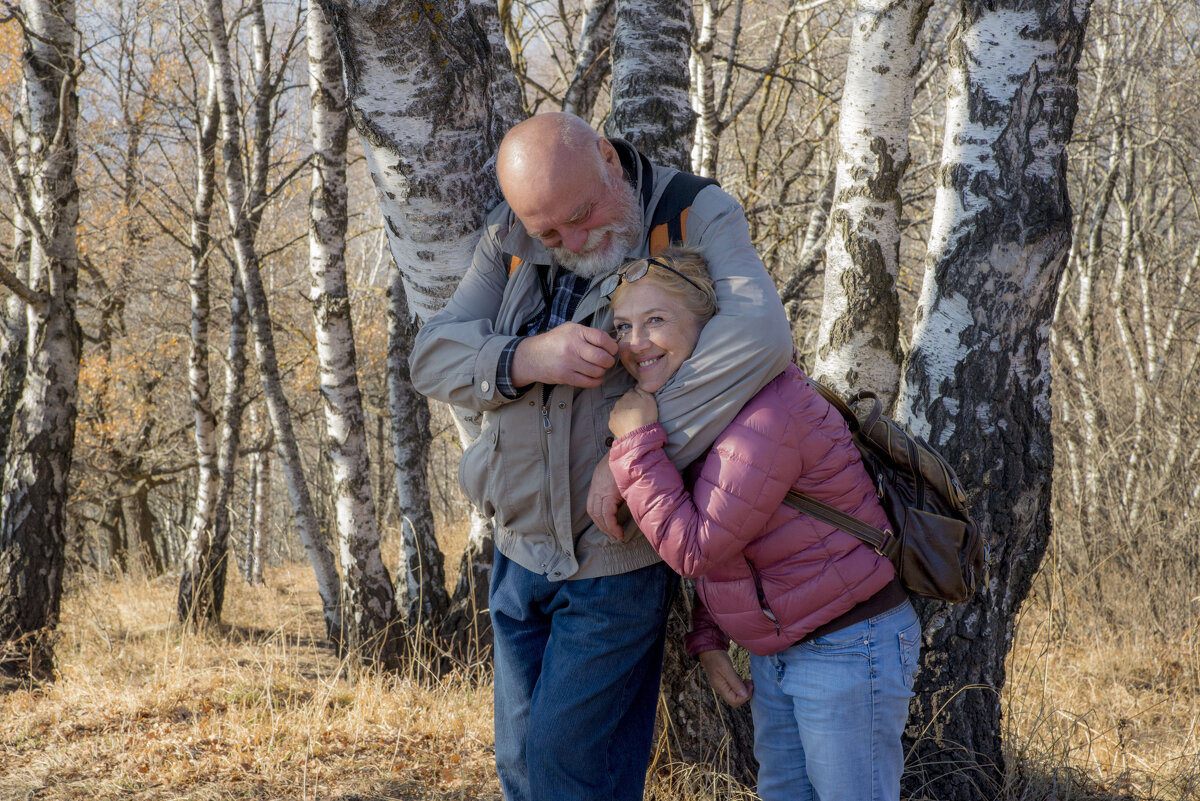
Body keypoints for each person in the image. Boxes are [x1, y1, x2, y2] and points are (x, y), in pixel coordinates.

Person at [408, 113, 793, 801]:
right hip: (517, 552)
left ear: (611, 162)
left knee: (567, 772)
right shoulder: (513, 235)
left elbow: (761, 335)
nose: (571, 244)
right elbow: (431, 355)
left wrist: (629, 454)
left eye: (581, 217)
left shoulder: (691, 212)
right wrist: (526, 356)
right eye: (551, 233)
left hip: (613, 562)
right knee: (521, 766)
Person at [605, 247, 921, 801]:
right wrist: (709, 634)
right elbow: (739, 538)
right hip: (783, 647)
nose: (636, 343)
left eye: (656, 321)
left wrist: (633, 447)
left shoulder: (767, 415)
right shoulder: (707, 412)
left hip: (848, 645)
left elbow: (697, 546)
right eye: (623, 326)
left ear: (713, 330)